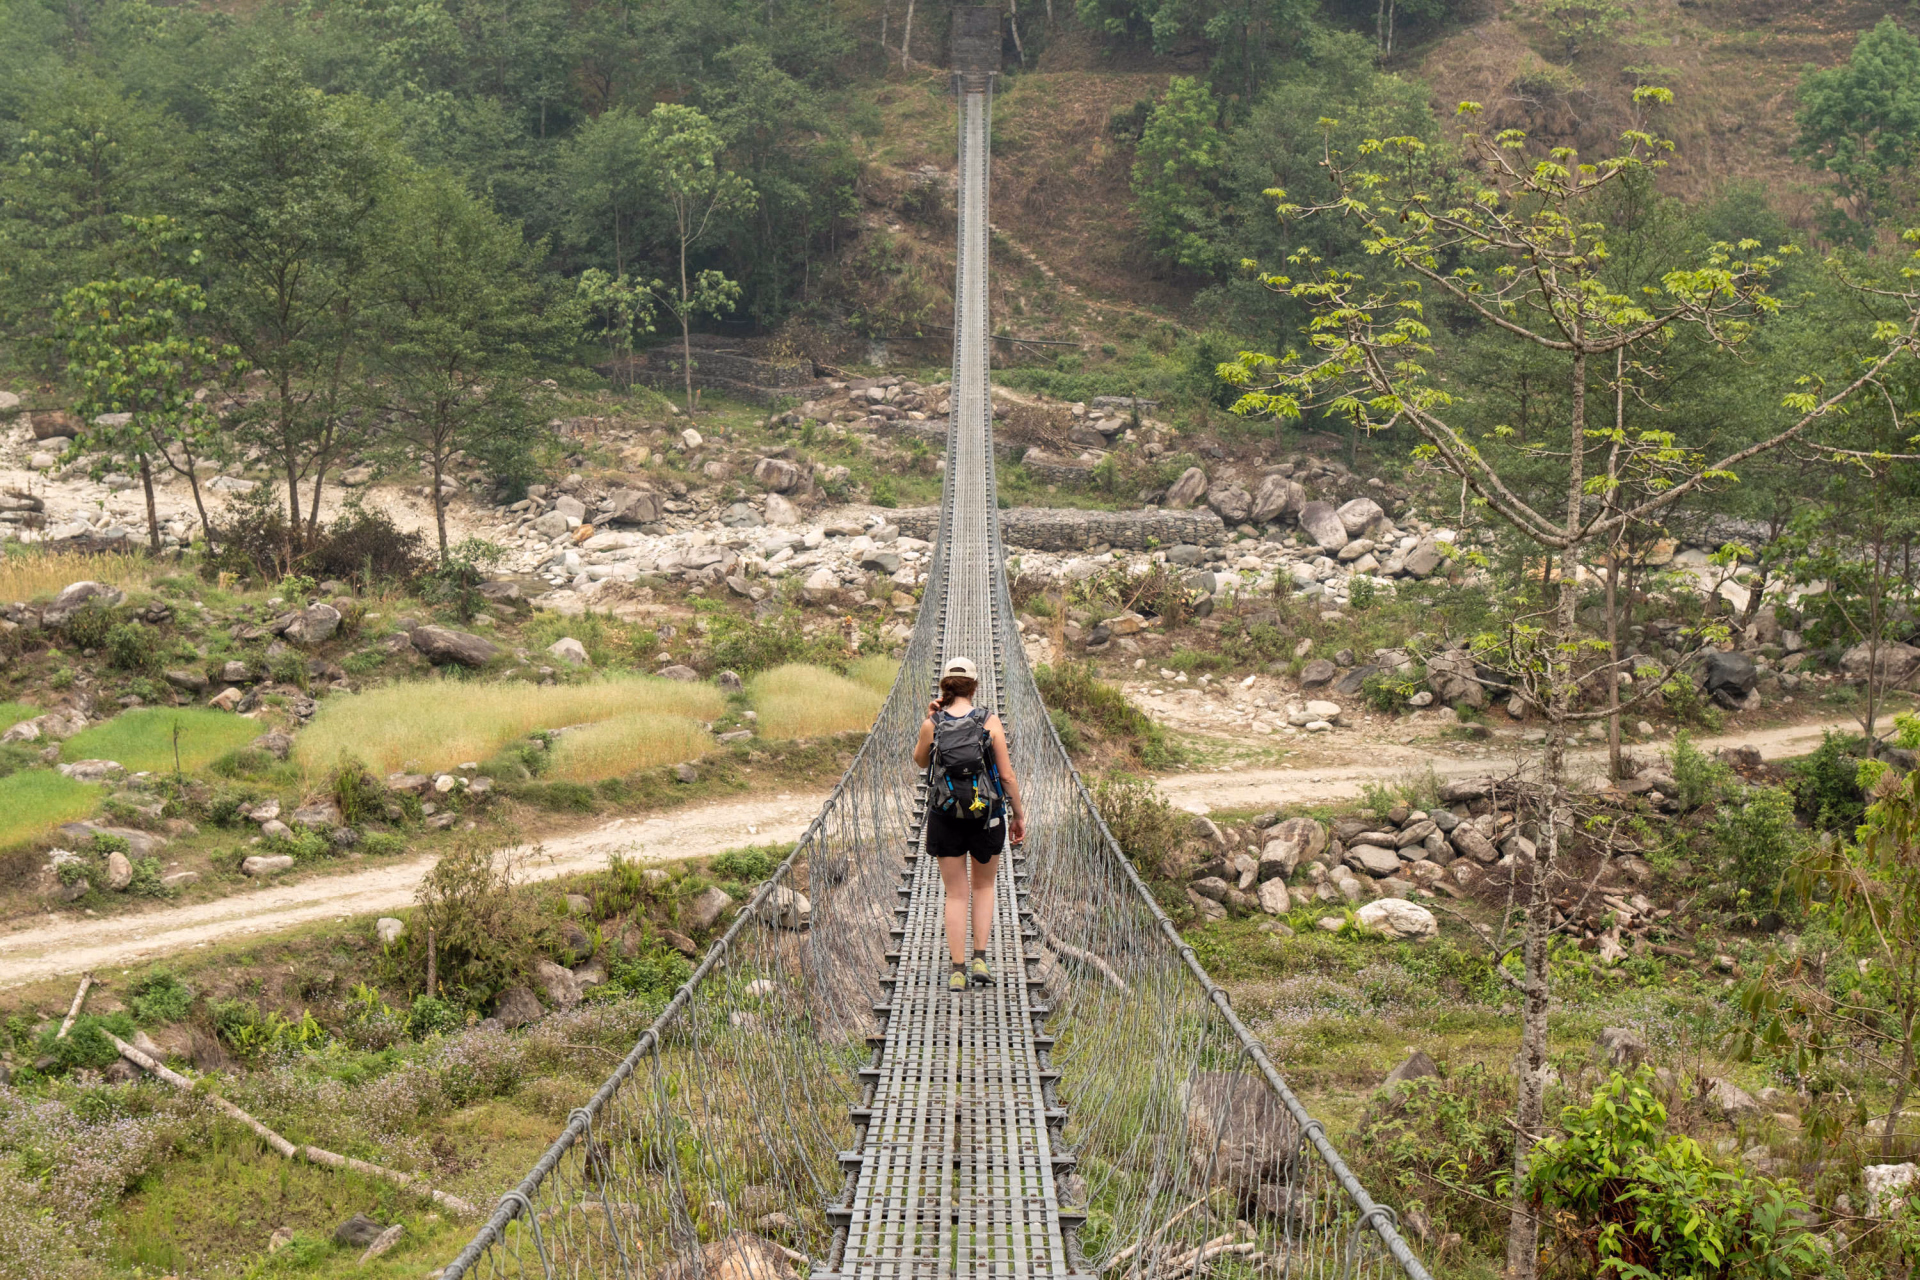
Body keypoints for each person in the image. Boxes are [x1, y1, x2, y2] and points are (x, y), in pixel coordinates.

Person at [913, 656, 1028, 993]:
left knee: (955, 894)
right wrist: (1018, 814)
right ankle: (980, 958)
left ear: (944, 686)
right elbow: (1006, 775)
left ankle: (958, 969)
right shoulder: (990, 722)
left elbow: (921, 761)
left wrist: (931, 715)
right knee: (983, 887)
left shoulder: (932, 723)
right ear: (974, 686)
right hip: (987, 816)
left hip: (945, 815)